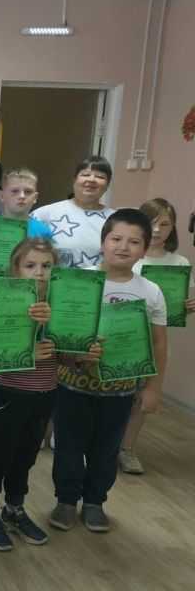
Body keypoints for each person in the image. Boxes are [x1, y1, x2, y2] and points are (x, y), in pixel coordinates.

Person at [50, 209, 167, 533]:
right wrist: (75, 354)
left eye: (134, 241)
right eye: (116, 238)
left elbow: (159, 344)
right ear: (103, 242)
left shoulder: (151, 291)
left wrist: (153, 387)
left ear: (144, 249)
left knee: (106, 449)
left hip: (120, 391)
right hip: (73, 386)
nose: (123, 247)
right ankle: (65, 500)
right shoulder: (77, 281)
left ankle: (94, 501)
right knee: (69, 447)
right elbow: (59, 333)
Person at [0, 238, 57, 551]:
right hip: (10, 389)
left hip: (45, 392)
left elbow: (67, 353)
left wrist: (81, 350)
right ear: (16, 269)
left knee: (27, 454)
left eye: (47, 266)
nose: (39, 272)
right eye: (30, 265)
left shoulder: (62, 304)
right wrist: (28, 351)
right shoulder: (4, 300)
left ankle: (14, 508)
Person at [120, 198, 195, 474]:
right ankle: (99, 447)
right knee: (113, 397)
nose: (157, 230)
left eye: (164, 224)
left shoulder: (180, 262)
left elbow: (173, 309)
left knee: (141, 398)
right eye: (151, 223)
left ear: (173, 228)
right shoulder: (129, 257)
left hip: (154, 342)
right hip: (121, 339)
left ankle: (127, 449)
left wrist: (186, 308)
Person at [31, 156, 116, 268]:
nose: (91, 179)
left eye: (100, 177)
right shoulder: (44, 214)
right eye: (85, 175)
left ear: (107, 185)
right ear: (74, 180)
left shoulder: (116, 219)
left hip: (99, 278)